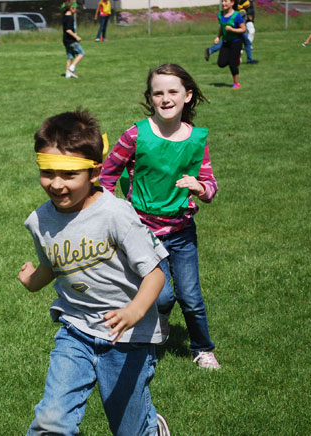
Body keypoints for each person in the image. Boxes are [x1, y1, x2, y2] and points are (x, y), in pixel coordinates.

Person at [19, 110, 172, 436]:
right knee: (51, 422)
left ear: (94, 173)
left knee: (129, 429)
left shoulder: (116, 214)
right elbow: (53, 265)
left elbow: (156, 273)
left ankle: (150, 428)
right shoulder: (40, 220)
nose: (56, 184)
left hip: (127, 339)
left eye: (68, 174)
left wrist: (134, 310)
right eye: (47, 172)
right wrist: (32, 280)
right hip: (74, 330)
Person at [99, 64, 221, 370]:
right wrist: (109, 207)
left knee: (191, 297)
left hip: (181, 231)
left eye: (173, 92)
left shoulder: (196, 139)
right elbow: (107, 173)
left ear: (187, 96)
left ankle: (203, 349)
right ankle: (160, 322)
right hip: (143, 232)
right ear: (150, 98)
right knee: (162, 296)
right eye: (158, 93)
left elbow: (211, 185)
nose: (165, 99)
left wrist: (200, 187)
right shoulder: (135, 134)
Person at [214, 0, 246, 89]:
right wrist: (218, 37)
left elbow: (243, 29)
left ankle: (236, 83)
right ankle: (236, 59)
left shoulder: (237, 16)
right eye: (223, 1)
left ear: (232, 3)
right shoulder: (220, 15)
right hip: (225, 42)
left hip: (236, 42)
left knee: (232, 64)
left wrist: (232, 30)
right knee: (221, 63)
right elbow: (221, 27)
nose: (224, 3)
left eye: (226, 1)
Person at [62, 1, 84, 79]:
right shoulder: (70, 18)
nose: (76, 10)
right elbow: (68, 30)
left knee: (70, 57)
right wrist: (76, 36)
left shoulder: (65, 16)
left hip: (65, 40)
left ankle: (68, 74)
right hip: (71, 40)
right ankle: (71, 69)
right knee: (81, 53)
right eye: (75, 8)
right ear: (71, 8)